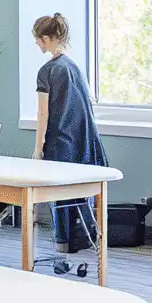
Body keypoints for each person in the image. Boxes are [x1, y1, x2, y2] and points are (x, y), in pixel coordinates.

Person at [31, 13, 108, 252]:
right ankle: (85, 238)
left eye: (37, 39)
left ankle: (63, 242)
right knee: (80, 192)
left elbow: (43, 114)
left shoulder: (47, 70)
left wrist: (37, 149)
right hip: (84, 141)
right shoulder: (75, 67)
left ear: (46, 38)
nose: (36, 43)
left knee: (59, 195)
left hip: (60, 141)